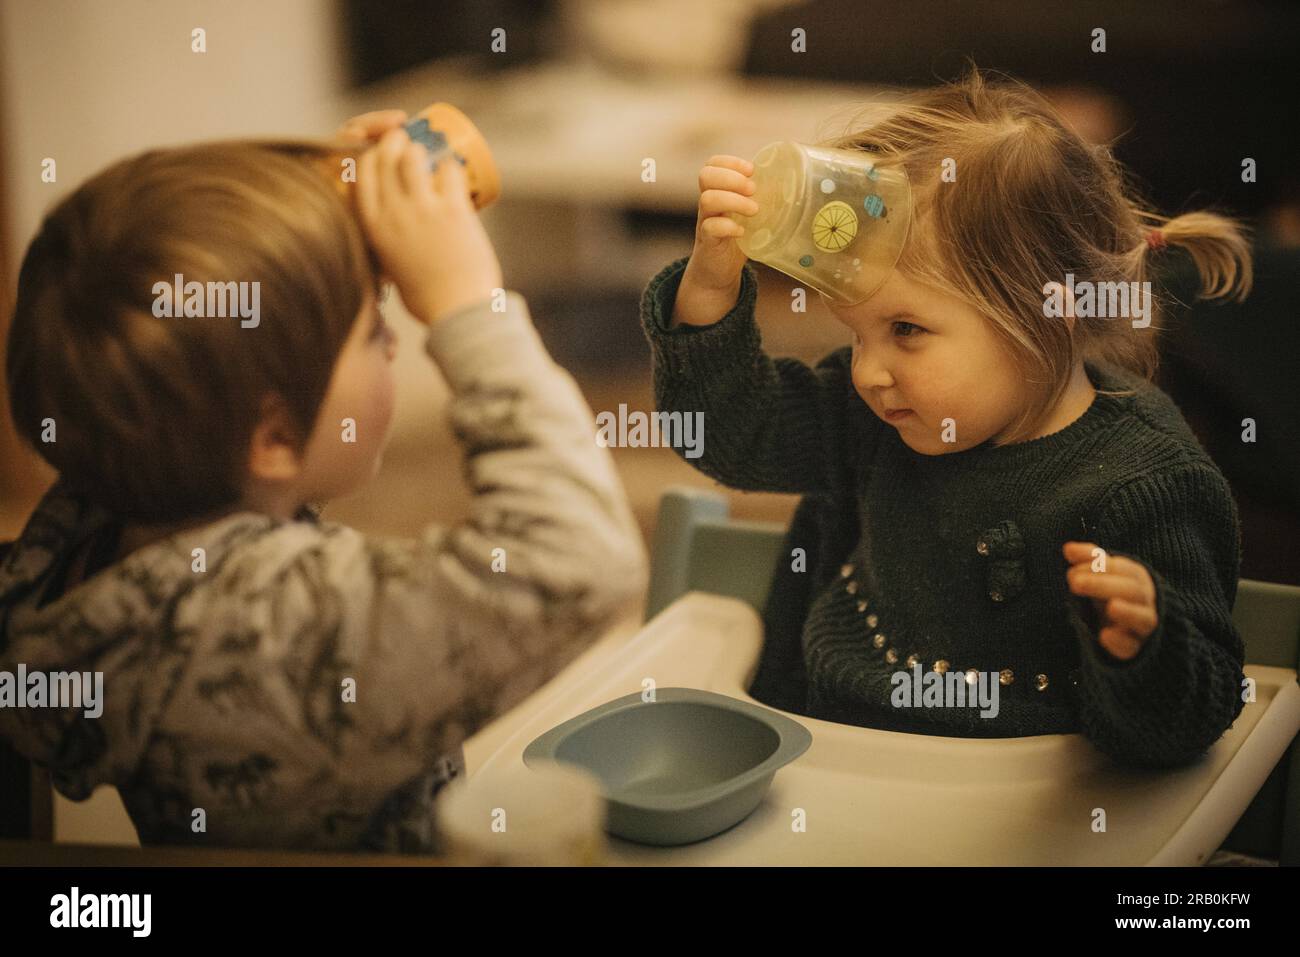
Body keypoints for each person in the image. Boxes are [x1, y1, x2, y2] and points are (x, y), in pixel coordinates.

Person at [0, 111, 647, 852]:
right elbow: (583, 561)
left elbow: (215, 393)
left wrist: (319, 210)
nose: (400, 337)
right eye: (375, 327)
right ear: (273, 436)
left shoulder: (107, 542)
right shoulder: (277, 635)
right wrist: (470, 305)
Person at [641, 68, 1253, 768]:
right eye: (857, 333)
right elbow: (728, 433)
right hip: (824, 774)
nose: (868, 370)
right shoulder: (871, 415)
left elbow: (1192, 722)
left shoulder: (1147, 484)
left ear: (1044, 312)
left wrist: (1147, 647)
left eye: (905, 329)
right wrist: (709, 293)